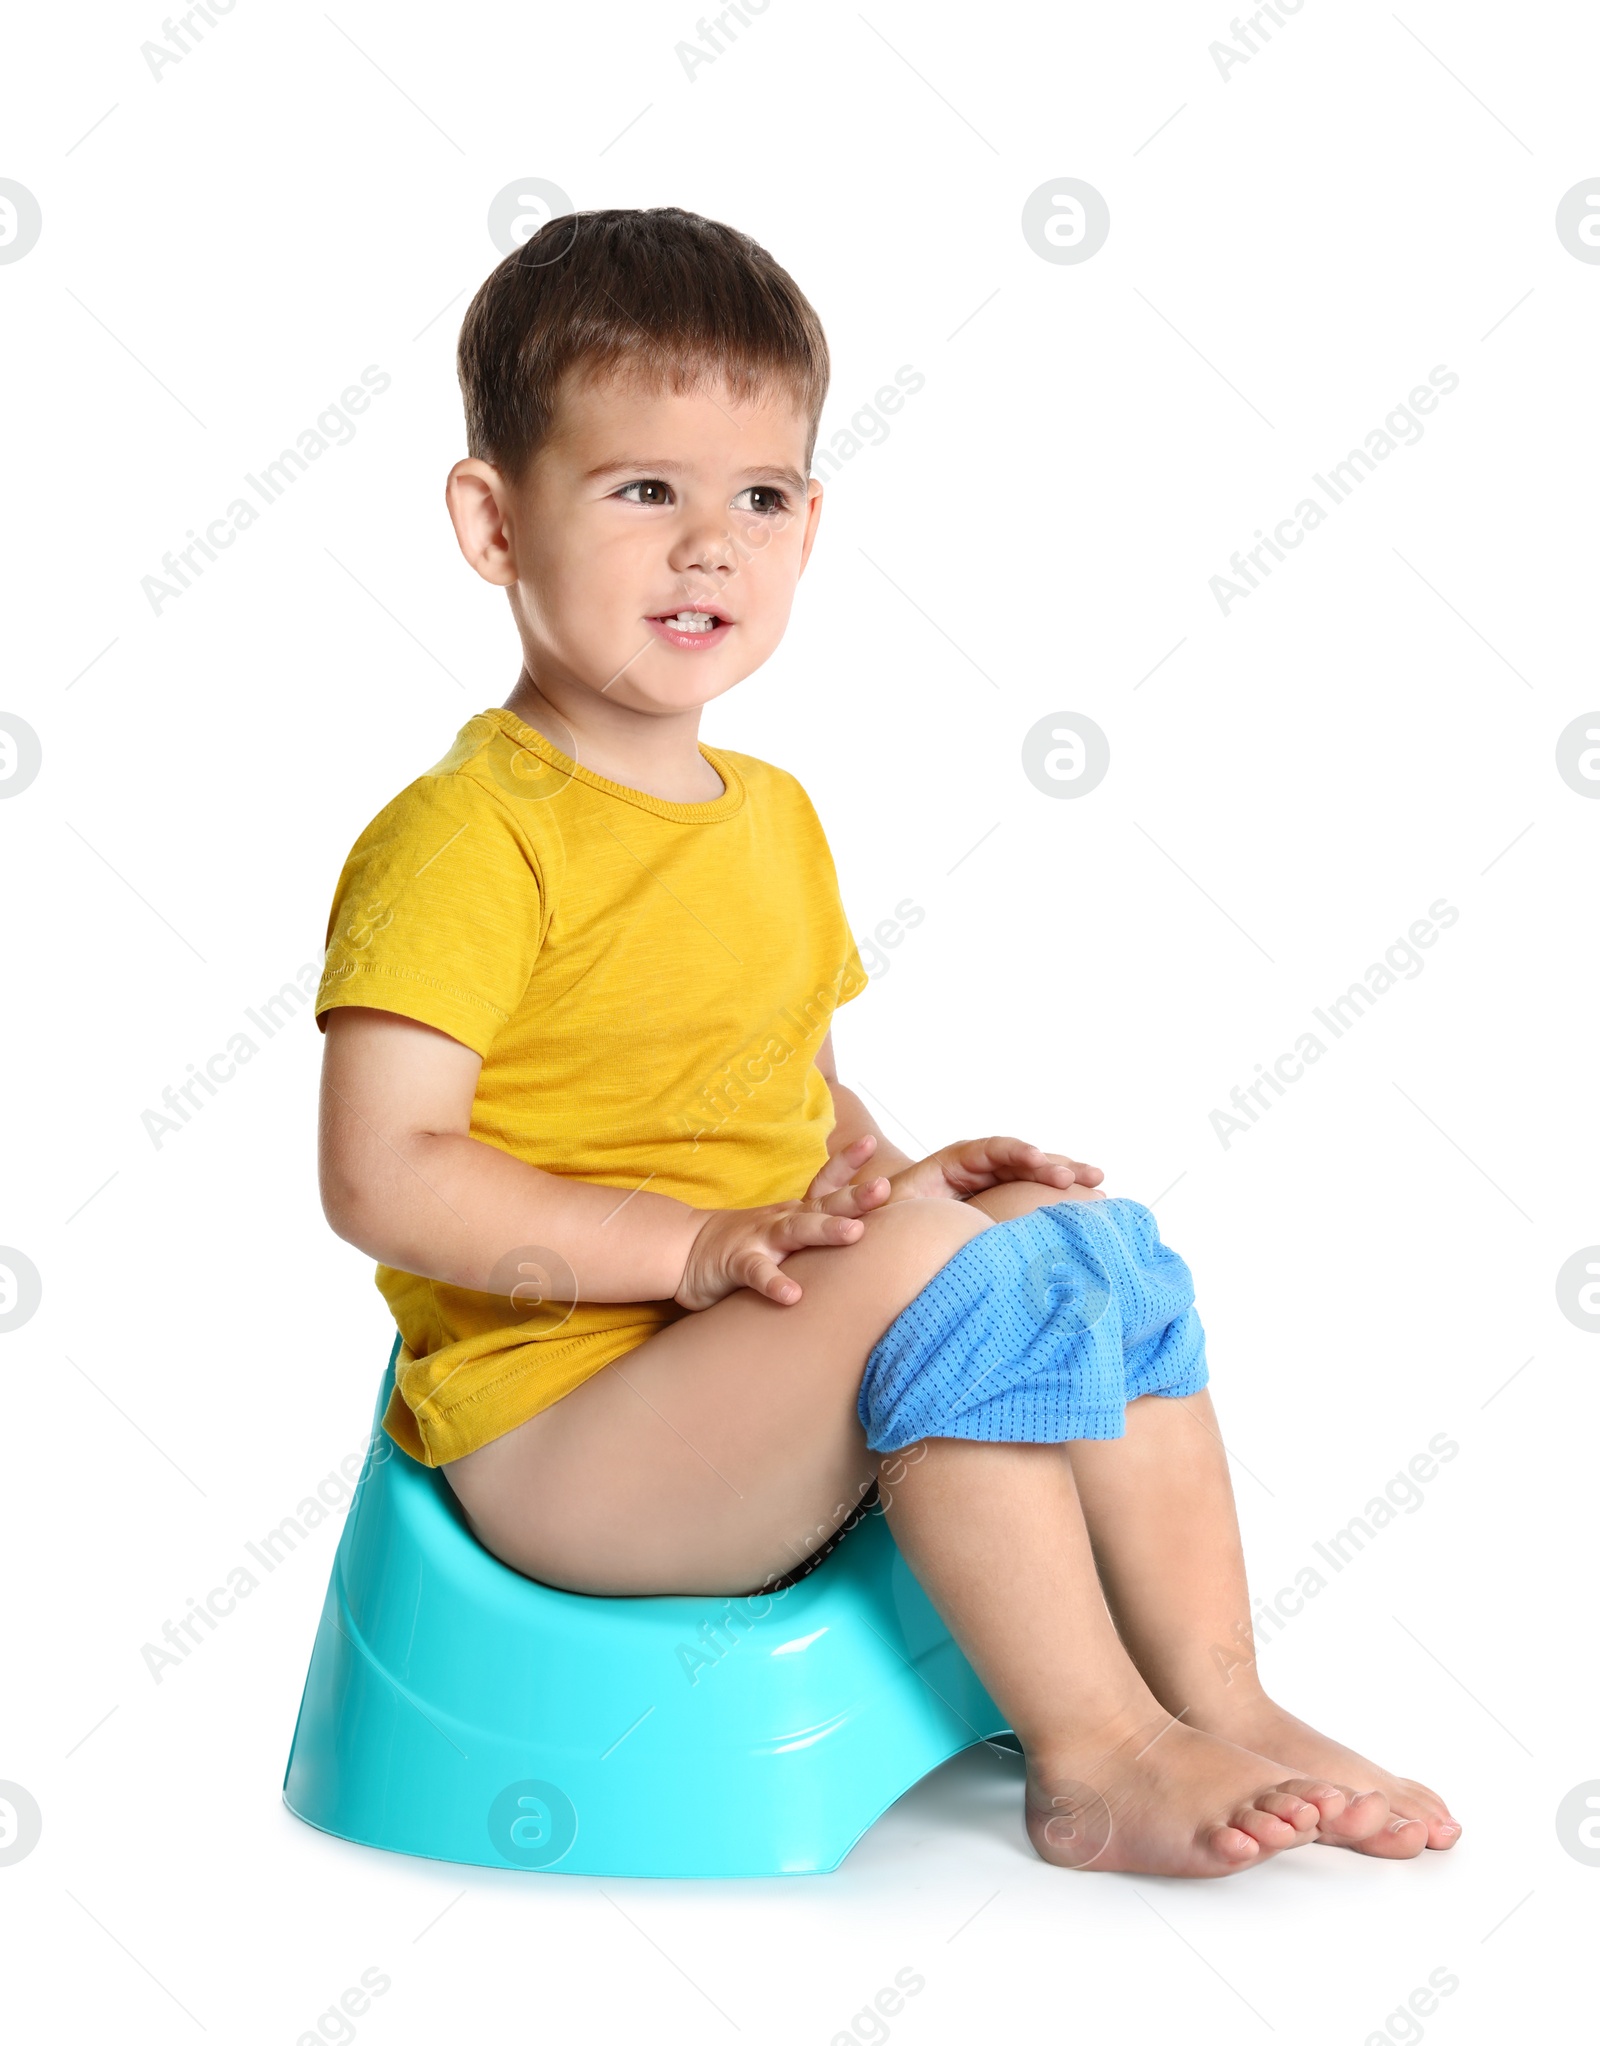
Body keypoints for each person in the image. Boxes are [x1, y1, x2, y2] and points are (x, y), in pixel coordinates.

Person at [313, 206, 1459, 1877]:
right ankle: (1096, 1756)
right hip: (565, 1432)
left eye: (758, 497)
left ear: (811, 522)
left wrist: (883, 1173)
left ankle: (1221, 1690)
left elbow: (771, 1084)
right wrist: (690, 1246)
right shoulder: (468, 838)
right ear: (494, 522)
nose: (710, 543)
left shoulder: (769, 817)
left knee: (1081, 1247)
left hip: (735, 1363)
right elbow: (382, 1170)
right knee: (954, 1275)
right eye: (646, 490)